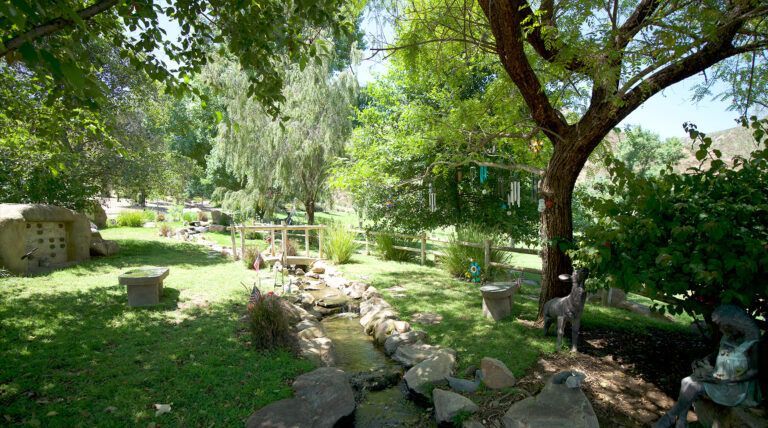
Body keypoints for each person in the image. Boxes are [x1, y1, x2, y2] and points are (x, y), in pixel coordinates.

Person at [654, 304, 762, 428]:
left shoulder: (752, 341)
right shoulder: (729, 334)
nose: (721, 329)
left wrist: (730, 380)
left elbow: (754, 371)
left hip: (736, 387)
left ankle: (671, 417)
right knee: (687, 381)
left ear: (734, 324)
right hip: (720, 377)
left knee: (692, 385)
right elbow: (717, 353)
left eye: (723, 325)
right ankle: (681, 421)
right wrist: (703, 360)